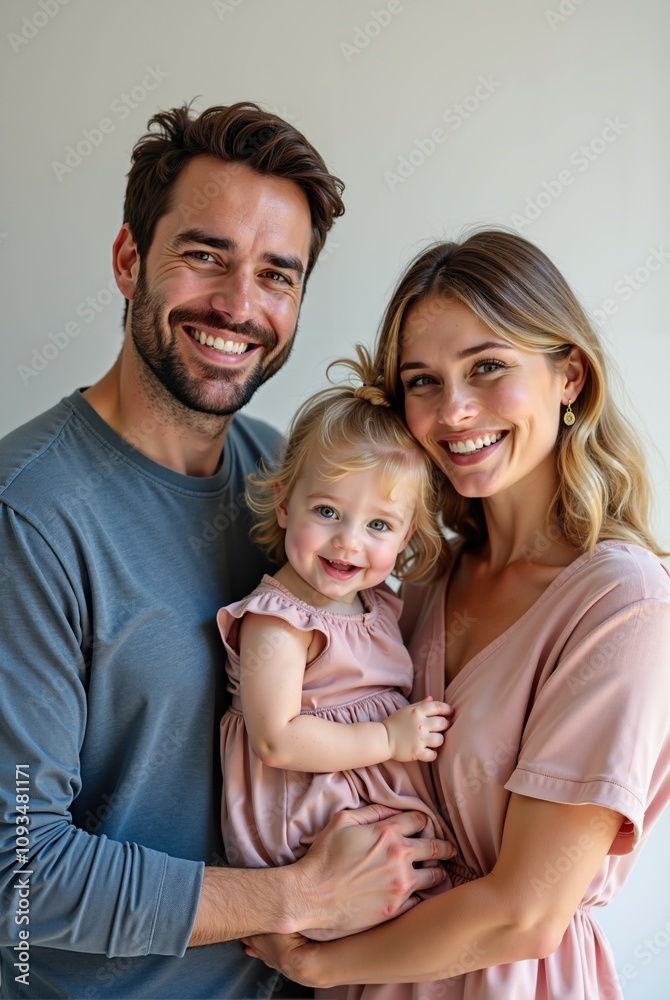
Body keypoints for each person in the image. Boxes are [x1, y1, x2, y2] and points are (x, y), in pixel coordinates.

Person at [0, 103, 453, 1000]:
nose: (240, 306)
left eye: (277, 275)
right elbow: (19, 878)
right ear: (129, 261)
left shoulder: (291, 481)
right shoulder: (30, 517)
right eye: (206, 255)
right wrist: (300, 895)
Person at [242, 229, 670, 1000]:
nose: (455, 410)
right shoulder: (415, 582)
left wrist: (310, 961)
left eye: (487, 367)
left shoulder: (623, 603)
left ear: (569, 376)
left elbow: (523, 914)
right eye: (423, 381)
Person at [218, 348, 453, 934]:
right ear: (284, 503)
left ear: (406, 535)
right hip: (306, 827)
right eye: (327, 511)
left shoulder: (378, 604)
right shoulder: (280, 621)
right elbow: (276, 740)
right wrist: (388, 738)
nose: (349, 541)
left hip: (368, 810)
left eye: (378, 525)